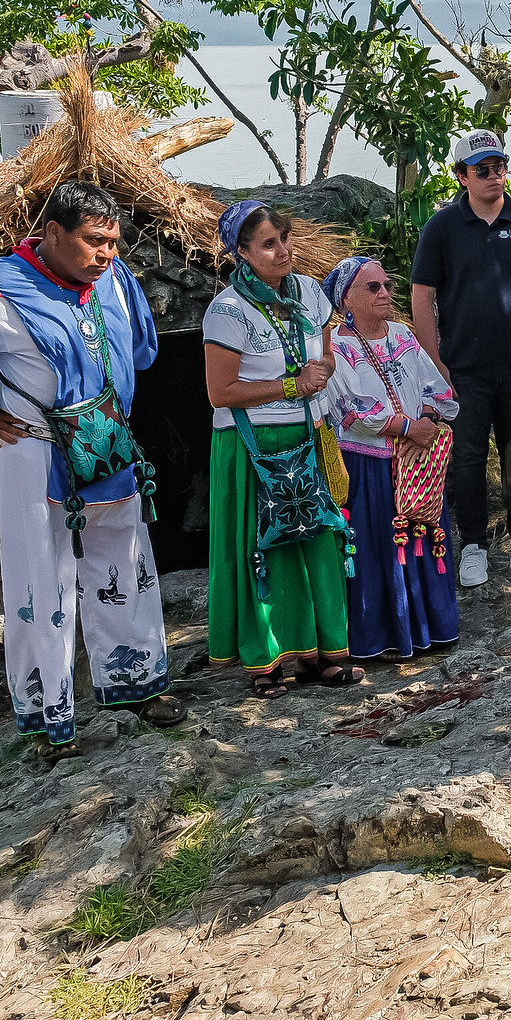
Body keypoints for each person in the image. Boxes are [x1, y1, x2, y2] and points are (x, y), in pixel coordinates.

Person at [0, 181, 184, 761]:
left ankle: (136, 685)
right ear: (52, 233)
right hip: (32, 448)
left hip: (106, 440)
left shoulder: (115, 282)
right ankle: (50, 719)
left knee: (125, 558)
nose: (107, 253)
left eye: (113, 241)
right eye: (93, 241)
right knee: (40, 577)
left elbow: (141, 351)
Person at [203, 201, 360, 696]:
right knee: (261, 551)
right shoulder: (227, 311)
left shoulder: (311, 293)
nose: (283, 250)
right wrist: (292, 386)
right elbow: (220, 392)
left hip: (308, 438)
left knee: (317, 543)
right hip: (252, 445)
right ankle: (265, 661)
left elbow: (323, 350)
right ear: (242, 253)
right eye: (268, 244)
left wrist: (324, 368)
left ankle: (324, 655)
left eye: (285, 238)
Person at [411, 129, 511, 588]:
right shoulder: (441, 228)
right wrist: (433, 361)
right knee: (468, 458)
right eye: (482, 169)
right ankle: (474, 544)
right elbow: (422, 296)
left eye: (500, 166)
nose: (494, 176)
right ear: (461, 176)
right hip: (463, 369)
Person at [324, 257, 462, 661]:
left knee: (422, 541)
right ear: (347, 297)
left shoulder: (402, 335)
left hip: (417, 462)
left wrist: (430, 419)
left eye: (386, 285)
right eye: (372, 288)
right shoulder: (336, 345)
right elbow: (347, 410)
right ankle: (381, 636)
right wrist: (405, 428)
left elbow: (439, 389)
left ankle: (431, 629)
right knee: (377, 548)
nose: (385, 293)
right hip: (371, 467)